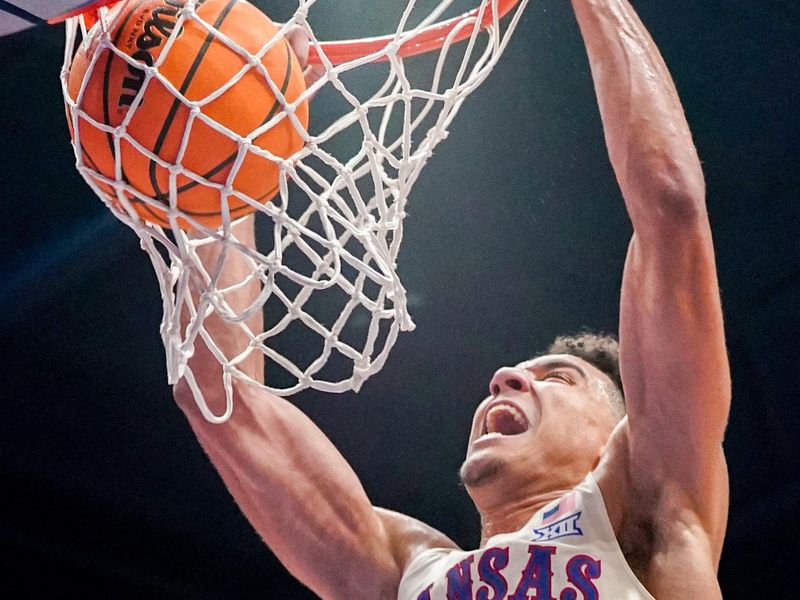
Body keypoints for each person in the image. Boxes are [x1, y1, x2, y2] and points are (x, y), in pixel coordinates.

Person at [173, 0, 730, 598]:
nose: (506, 378)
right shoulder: (403, 570)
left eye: (560, 380)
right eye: (524, 372)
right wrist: (219, 158)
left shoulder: (652, 515)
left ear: (616, 433)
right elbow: (218, 395)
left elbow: (670, 208)